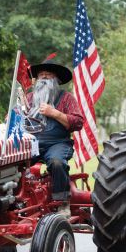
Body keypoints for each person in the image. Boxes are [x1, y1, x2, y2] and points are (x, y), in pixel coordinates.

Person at [26, 56, 84, 218]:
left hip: (57, 143)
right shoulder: (28, 99)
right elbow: (12, 119)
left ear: (56, 79)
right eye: (41, 74)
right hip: (31, 143)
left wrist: (55, 113)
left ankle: (62, 203)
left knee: (57, 162)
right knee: (12, 165)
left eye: (48, 74)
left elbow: (78, 122)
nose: (44, 77)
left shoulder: (66, 98)